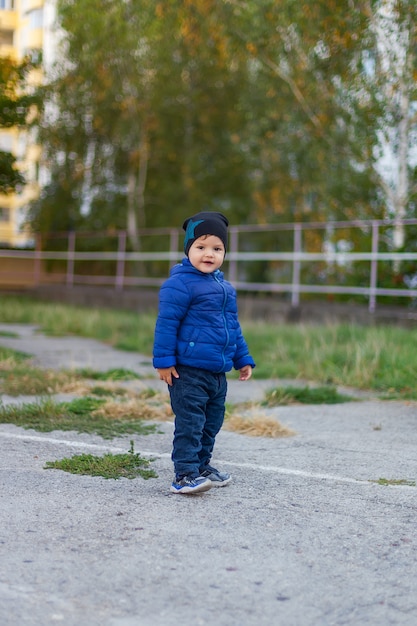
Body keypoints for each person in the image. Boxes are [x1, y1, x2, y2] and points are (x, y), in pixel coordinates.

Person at [153, 211, 255, 495]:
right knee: (191, 424)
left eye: (217, 248)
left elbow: (232, 327)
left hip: (216, 372)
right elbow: (166, 324)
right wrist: (163, 361)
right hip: (187, 371)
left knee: (211, 423)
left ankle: (201, 466)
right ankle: (184, 474)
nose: (209, 254)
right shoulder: (179, 284)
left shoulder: (225, 288)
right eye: (201, 247)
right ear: (188, 249)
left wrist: (242, 358)